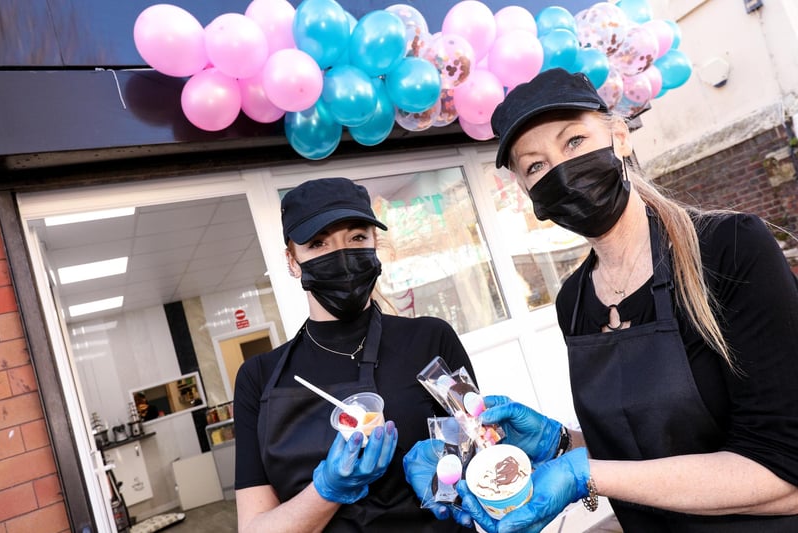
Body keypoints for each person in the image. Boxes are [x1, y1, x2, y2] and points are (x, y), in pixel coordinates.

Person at [407, 68, 798, 532]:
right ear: (530, 196)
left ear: (619, 135)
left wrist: (582, 474)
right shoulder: (573, 301)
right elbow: (639, 457)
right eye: (535, 166)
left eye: (573, 141)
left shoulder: (728, 248)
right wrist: (560, 445)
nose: (562, 172)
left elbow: (784, 474)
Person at [233, 177, 476, 532]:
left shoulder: (431, 338)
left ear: (376, 244)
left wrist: (457, 476)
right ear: (292, 261)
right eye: (318, 243)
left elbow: (480, 451)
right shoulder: (259, 378)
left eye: (357, 237)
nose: (342, 256)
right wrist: (328, 490)